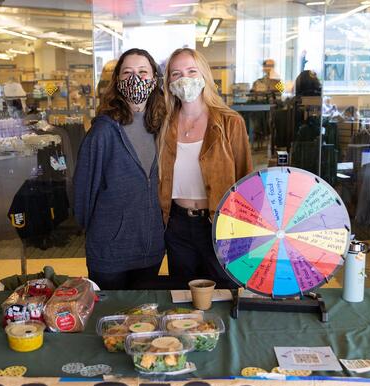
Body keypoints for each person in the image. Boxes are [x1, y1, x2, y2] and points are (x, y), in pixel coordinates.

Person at [73, 48, 167, 290]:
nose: (135, 78)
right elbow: (83, 192)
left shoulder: (162, 127)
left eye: (143, 72)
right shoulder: (103, 132)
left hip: (150, 249)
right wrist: (104, 232)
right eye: (127, 73)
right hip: (110, 253)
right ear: (117, 81)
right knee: (110, 320)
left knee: (143, 317)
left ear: (154, 79)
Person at [159, 48, 253, 286]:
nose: (185, 79)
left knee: (224, 290)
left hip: (218, 224)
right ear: (168, 81)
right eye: (176, 74)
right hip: (177, 225)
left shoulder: (230, 122)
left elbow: (246, 180)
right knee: (183, 295)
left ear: (204, 76)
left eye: (192, 71)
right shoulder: (163, 126)